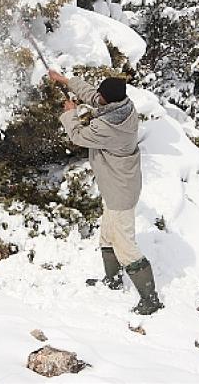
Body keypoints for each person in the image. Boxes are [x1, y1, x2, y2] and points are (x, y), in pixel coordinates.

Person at [48, 69, 164, 315]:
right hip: (115, 188)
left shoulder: (111, 128)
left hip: (121, 192)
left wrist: (70, 113)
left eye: (101, 96)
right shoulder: (121, 106)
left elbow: (79, 135)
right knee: (108, 236)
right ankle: (111, 280)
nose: (97, 98)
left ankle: (151, 299)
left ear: (109, 101)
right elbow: (93, 96)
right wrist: (66, 81)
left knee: (125, 245)